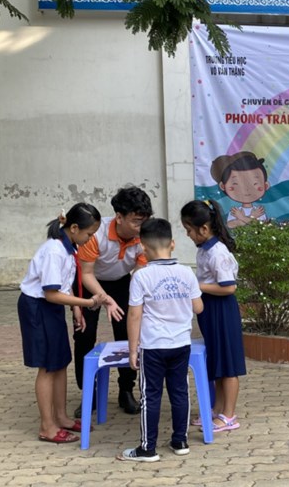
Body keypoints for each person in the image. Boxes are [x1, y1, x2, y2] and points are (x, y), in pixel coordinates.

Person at [17, 204, 112, 444]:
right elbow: (51, 293)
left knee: (60, 361)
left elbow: (64, 283)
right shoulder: (54, 251)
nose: (90, 239)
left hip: (52, 307)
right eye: (89, 234)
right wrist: (88, 302)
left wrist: (76, 308)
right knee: (48, 366)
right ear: (74, 228)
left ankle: (61, 417)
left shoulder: (69, 247)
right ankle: (47, 426)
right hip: (38, 307)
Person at [119, 218, 204, 462]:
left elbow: (134, 315)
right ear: (172, 244)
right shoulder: (186, 273)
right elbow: (198, 308)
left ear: (142, 248)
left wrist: (132, 350)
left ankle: (148, 448)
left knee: (151, 395)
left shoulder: (141, 276)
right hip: (181, 344)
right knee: (180, 392)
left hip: (153, 346)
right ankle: (180, 441)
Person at [72, 186, 153, 416]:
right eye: (136, 221)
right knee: (85, 335)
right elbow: (86, 274)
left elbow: (139, 272)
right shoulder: (96, 234)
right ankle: (89, 392)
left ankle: (126, 389)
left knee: (129, 333)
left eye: (144, 221)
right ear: (119, 217)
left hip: (122, 282)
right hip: (90, 283)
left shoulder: (144, 236)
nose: (141, 227)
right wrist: (105, 299)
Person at [181, 199, 247, 433]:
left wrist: (196, 285)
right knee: (217, 360)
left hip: (222, 310)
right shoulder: (204, 249)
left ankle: (229, 415)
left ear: (204, 229)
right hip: (210, 309)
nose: (188, 235)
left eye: (189, 230)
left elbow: (229, 287)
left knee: (228, 364)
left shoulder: (218, 252)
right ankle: (217, 409)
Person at [211, 151, 270, 227]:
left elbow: (262, 226)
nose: (246, 189)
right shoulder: (235, 211)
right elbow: (230, 225)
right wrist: (252, 217)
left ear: (266, 185)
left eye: (255, 184)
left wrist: (242, 217)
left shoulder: (258, 211)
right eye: (236, 184)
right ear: (223, 186)